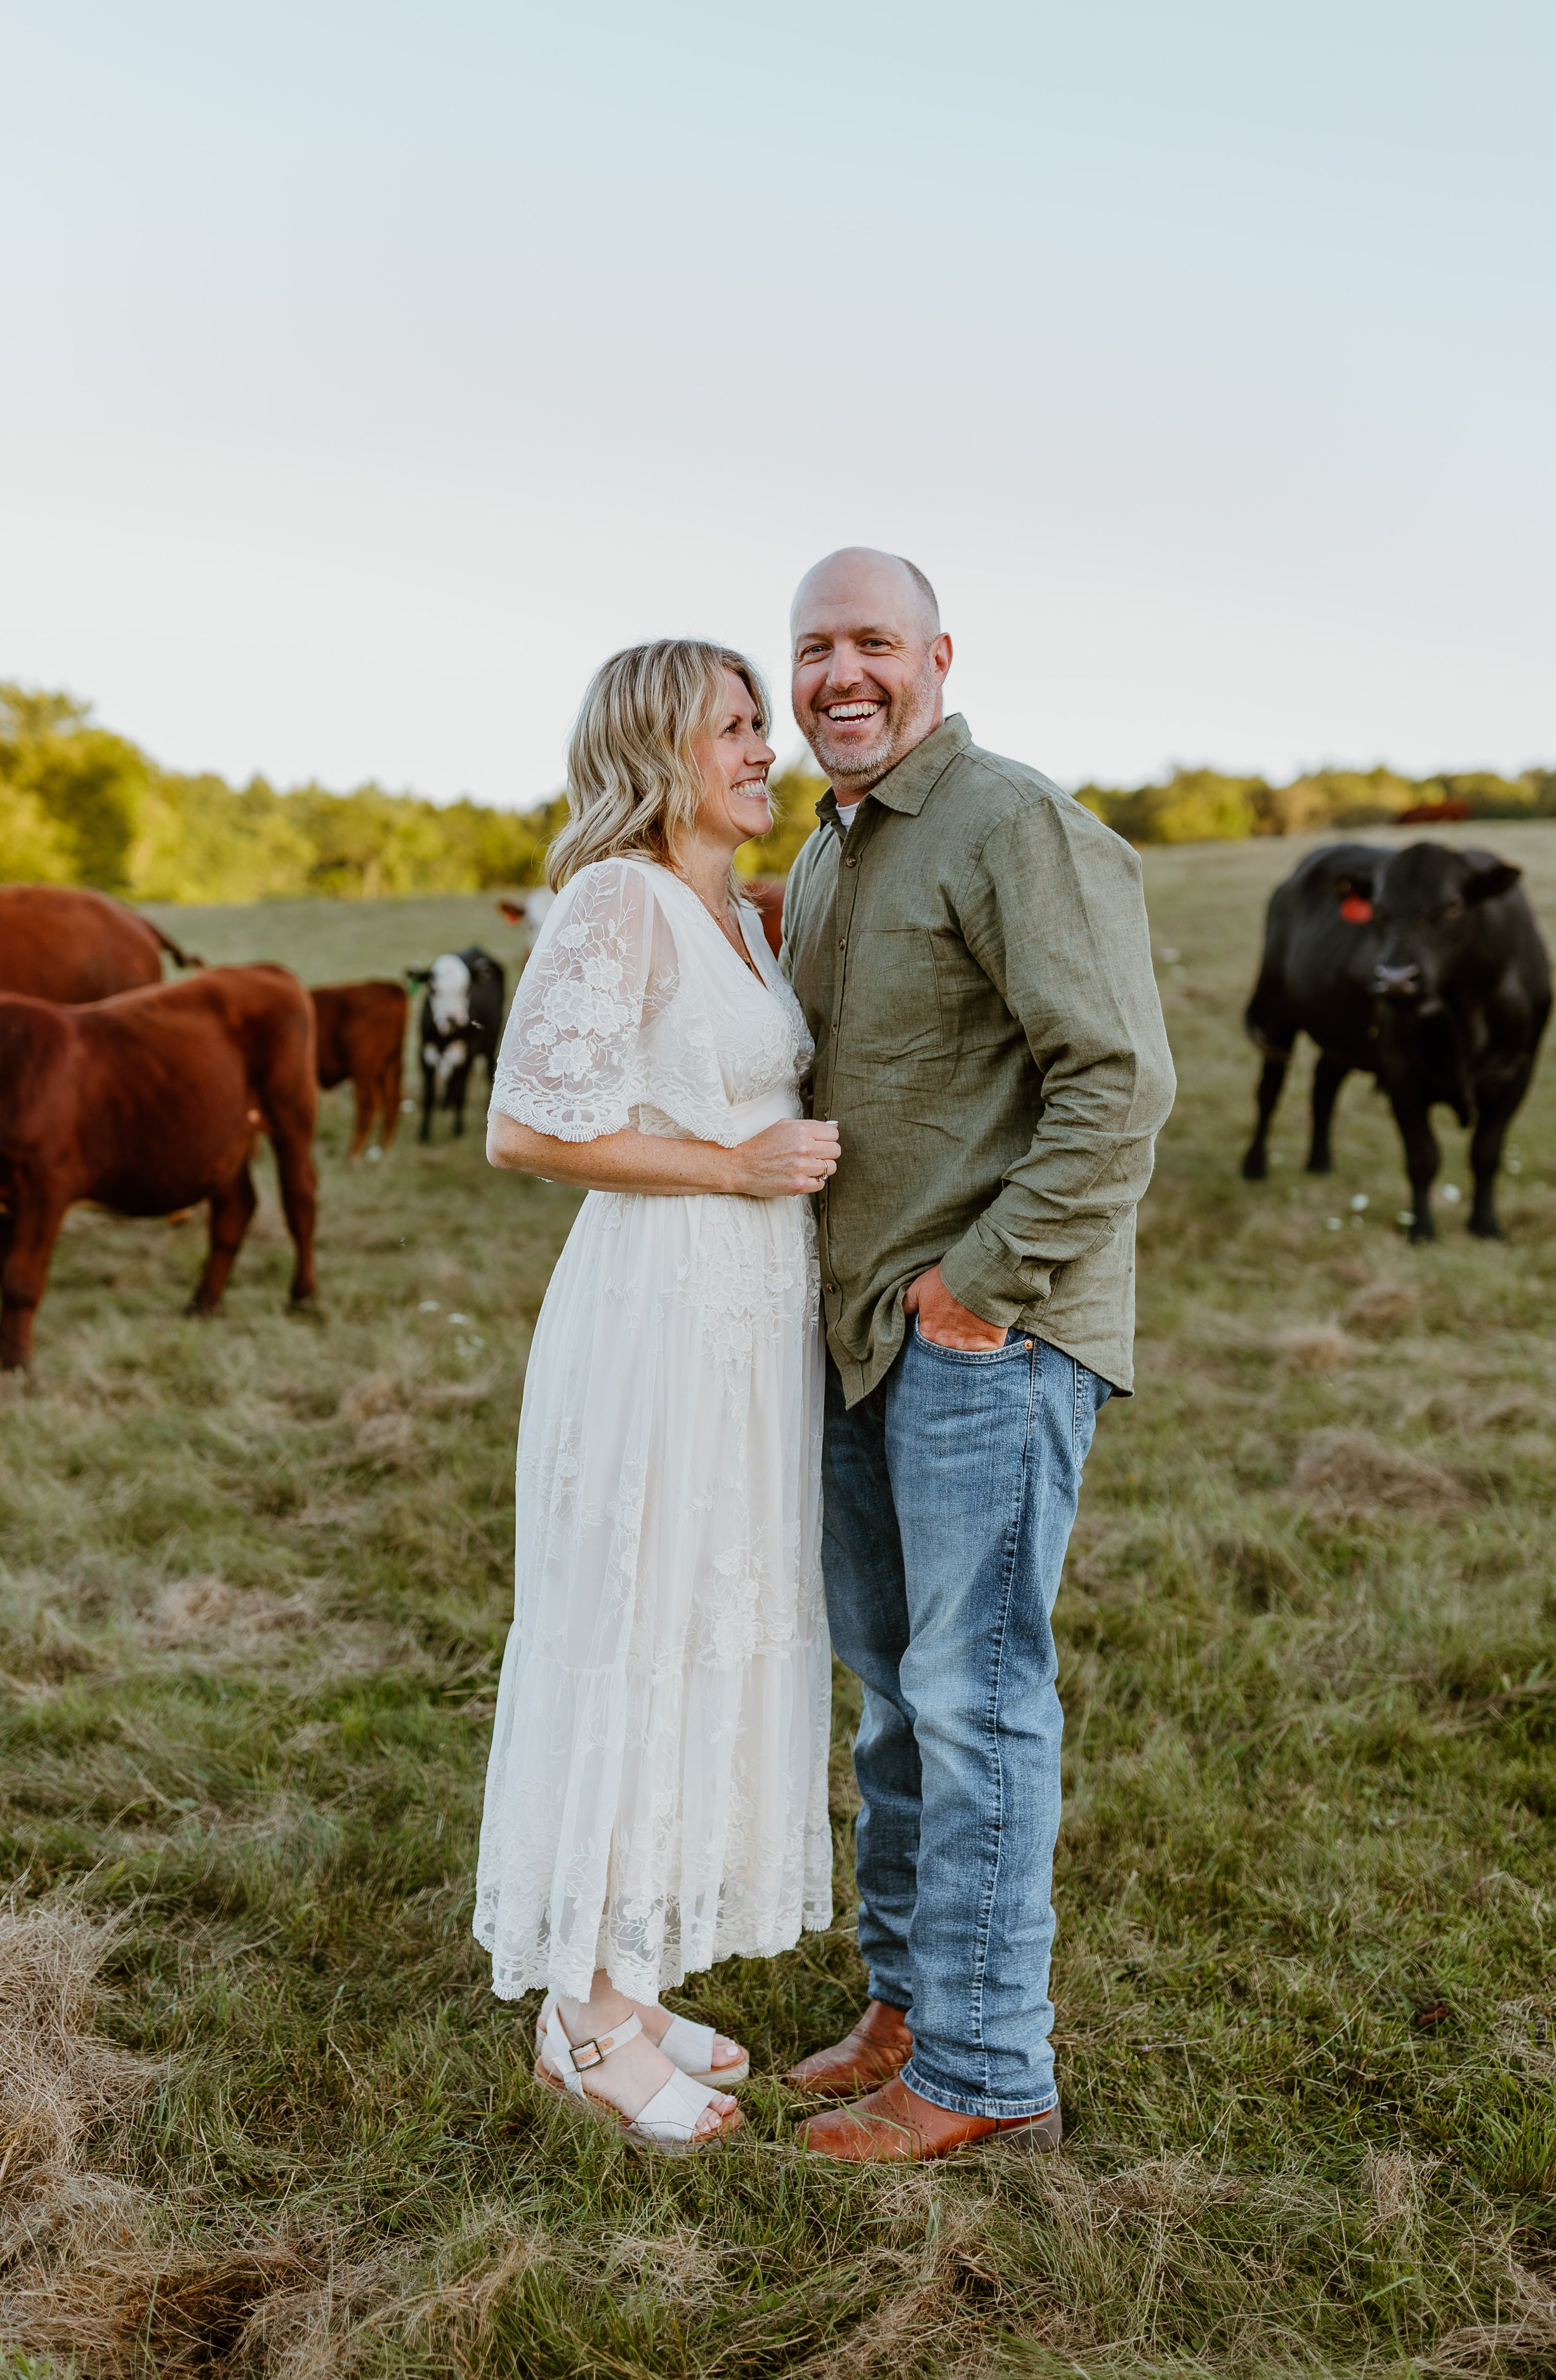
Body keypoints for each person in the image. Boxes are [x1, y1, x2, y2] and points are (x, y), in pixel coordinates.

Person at [779, 549, 1176, 2161]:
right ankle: (906, 2007)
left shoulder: (1011, 822)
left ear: (937, 657)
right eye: (813, 647)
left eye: (871, 642)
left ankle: (987, 2069)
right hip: (858, 1335)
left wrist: (980, 1287)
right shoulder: (827, 851)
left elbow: (1117, 1083)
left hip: (982, 1338)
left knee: (976, 1698)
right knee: (894, 1699)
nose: (839, 675)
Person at [474, 639, 839, 2154]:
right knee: (639, 1626)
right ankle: (582, 2023)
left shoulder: (736, 913)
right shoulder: (616, 898)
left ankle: (634, 1978)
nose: (765, 749)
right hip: (658, 1313)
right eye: (732, 728)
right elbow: (523, 1129)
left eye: (760, 725)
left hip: (747, 1327)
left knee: (706, 1625)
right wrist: (733, 1169)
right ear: (655, 750)